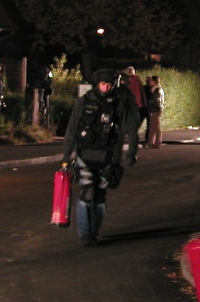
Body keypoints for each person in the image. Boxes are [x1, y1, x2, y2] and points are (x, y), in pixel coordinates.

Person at [61, 68, 139, 246]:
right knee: (87, 192)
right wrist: (66, 157)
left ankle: (93, 232)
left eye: (109, 85)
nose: (106, 88)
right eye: (103, 84)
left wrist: (131, 153)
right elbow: (72, 129)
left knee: (99, 196)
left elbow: (131, 129)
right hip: (85, 154)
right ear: (97, 83)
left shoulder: (119, 103)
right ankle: (84, 233)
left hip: (108, 157)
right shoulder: (84, 101)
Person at [145, 75, 164, 149]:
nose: (150, 82)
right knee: (152, 126)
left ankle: (157, 143)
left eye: (151, 80)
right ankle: (151, 142)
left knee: (155, 126)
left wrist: (152, 109)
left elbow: (155, 101)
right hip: (155, 109)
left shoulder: (156, 89)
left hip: (155, 110)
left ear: (154, 81)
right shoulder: (156, 88)